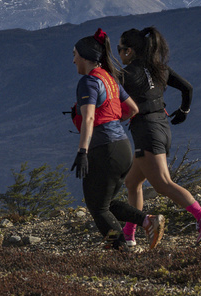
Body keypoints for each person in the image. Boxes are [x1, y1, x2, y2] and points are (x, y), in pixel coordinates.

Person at [119, 27, 201, 246]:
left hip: (145, 130)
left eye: (119, 49)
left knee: (163, 184)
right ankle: (128, 235)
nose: (119, 54)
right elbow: (187, 88)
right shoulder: (159, 68)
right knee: (132, 182)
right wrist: (184, 111)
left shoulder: (126, 74)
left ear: (129, 51)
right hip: (162, 127)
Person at [70, 29, 165, 251]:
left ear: (85, 56)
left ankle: (123, 250)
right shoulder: (109, 79)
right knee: (105, 203)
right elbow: (132, 109)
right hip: (122, 148)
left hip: (104, 150)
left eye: (75, 54)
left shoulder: (89, 82)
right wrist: (112, 120)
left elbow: (89, 117)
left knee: (98, 208)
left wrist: (82, 151)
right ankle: (147, 221)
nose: (73, 60)